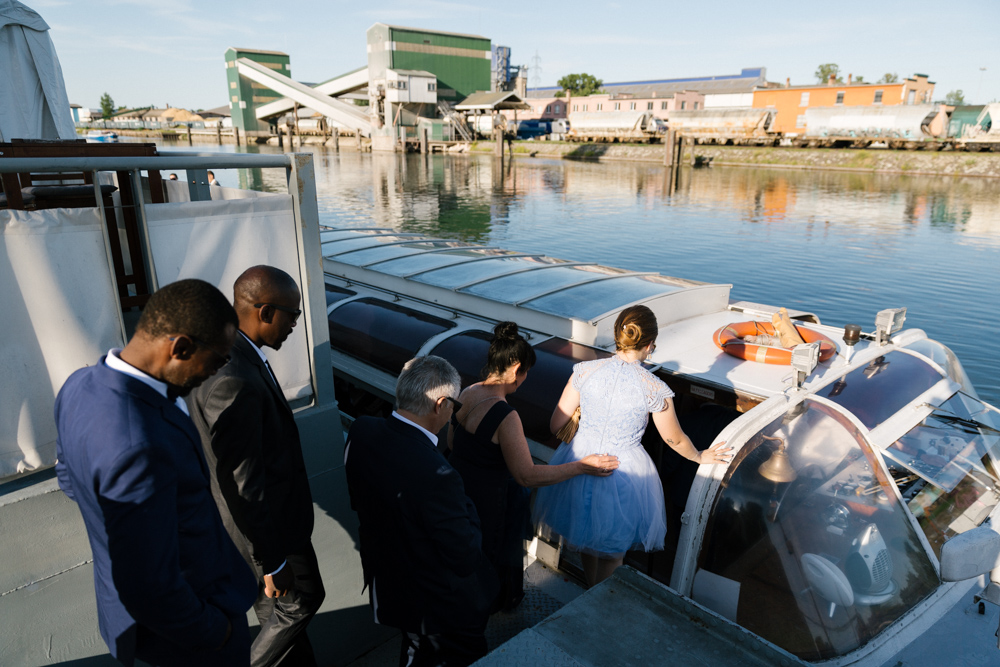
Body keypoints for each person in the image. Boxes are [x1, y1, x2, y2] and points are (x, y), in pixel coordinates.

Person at [54, 279, 257, 667]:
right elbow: (150, 588)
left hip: (136, 621)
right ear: (180, 347)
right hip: (187, 639)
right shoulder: (139, 445)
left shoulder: (78, 385)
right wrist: (216, 632)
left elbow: (68, 477)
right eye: (218, 359)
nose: (217, 370)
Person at [533, 305, 732, 587]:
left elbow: (556, 425)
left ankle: (591, 594)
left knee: (587, 542)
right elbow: (673, 438)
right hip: (622, 473)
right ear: (650, 345)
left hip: (579, 463)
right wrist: (700, 456)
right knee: (613, 556)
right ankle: (601, 609)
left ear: (618, 336)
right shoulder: (653, 387)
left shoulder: (584, 371)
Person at [187, 266, 324, 667]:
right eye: (292, 316)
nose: (295, 326)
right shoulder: (233, 379)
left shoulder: (221, 353)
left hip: (260, 532)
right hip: (269, 536)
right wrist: (273, 562)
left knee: (281, 623)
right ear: (265, 312)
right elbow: (243, 481)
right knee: (298, 605)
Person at [447, 321, 618, 611]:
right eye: (526, 373)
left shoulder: (467, 392)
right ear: (516, 369)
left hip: (459, 494)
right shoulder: (506, 416)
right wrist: (581, 466)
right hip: (489, 507)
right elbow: (526, 475)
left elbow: (452, 443)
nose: (525, 380)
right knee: (486, 567)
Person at [345, 356, 499, 667]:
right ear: (441, 404)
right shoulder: (438, 475)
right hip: (440, 610)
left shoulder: (362, 431)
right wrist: (467, 503)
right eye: (454, 406)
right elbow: (465, 556)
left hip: (392, 586)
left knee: (414, 651)